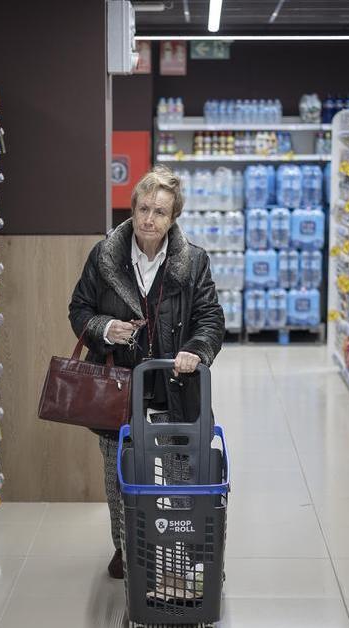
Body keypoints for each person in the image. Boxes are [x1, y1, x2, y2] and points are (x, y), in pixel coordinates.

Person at [68, 166, 225, 579]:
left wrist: (196, 350)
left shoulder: (193, 263)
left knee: (178, 472)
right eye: (142, 208)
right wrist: (104, 328)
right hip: (119, 388)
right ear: (132, 209)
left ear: (173, 218)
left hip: (176, 386)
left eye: (160, 211)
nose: (149, 219)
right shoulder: (105, 258)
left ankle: (176, 545)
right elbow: (79, 309)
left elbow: (210, 318)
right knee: (120, 473)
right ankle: (126, 547)